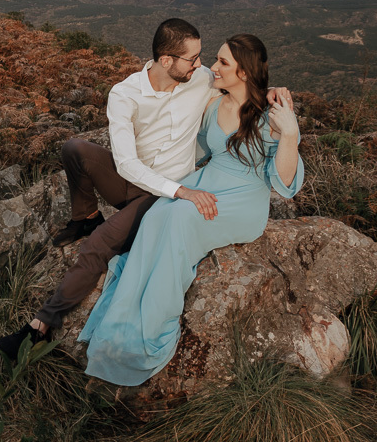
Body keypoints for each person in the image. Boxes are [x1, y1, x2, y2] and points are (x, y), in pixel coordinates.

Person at [0, 19, 290, 360]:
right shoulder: (126, 93)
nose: (202, 65)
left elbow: (244, 79)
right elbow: (126, 165)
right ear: (167, 61)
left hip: (162, 196)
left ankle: (40, 327)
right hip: (138, 181)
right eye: (192, 59)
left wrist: (274, 91)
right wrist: (182, 192)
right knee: (74, 149)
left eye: (203, 59)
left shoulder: (200, 81)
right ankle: (85, 216)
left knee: (99, 246)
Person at [78, 33, 303, 385]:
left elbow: (285, 183)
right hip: (208, 181)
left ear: (244, 72)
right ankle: (120, 323)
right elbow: (195, 145)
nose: (213, 67)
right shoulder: (214, 104)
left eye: (223, 62)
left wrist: (289, 135)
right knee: (156, 215)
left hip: (243, 199)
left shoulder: (272, 116)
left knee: (181, 218)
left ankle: (152, 329)